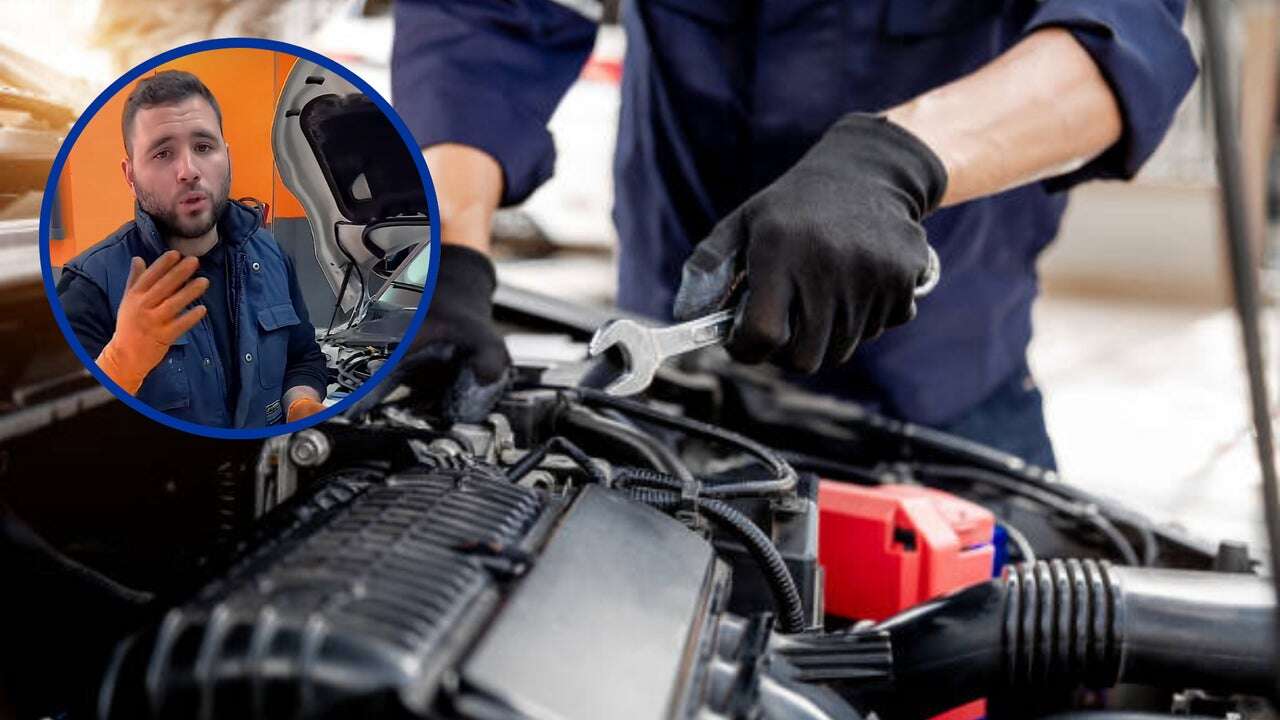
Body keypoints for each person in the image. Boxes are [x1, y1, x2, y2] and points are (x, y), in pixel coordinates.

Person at [385, 1, 1197, 468]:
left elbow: (1121, 41)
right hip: (664, 379)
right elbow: (486, 13)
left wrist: (895, 162)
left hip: (937, 404)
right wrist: (454, 249)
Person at [57, 70, 328, 428]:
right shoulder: (88, 287)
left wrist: (301, 403)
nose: (188, 170)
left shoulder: (272, 256)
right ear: (130, 176)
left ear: (226, 156)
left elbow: (303, 357)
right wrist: (120, 364)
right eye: (163, 153)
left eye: (203, 147)